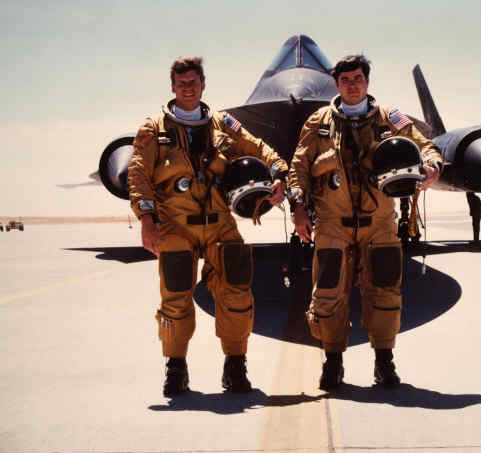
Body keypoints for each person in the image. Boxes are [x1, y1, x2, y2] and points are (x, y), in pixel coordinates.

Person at [128, 57, 288, 396]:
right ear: (173, 86)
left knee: (237, 295)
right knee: (175, 300)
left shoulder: (221, 124)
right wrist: (146, 221)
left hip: (220, 225)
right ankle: (175, 369)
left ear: (203, 84)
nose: (188, 88)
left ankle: (235, 367)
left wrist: (279, 171)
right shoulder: (153, 129)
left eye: (193, 82)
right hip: (175, 226)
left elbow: (256, 146)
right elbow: (139, 175)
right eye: (181, 83)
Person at [287, 55, 443, 390]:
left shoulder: (390, 119)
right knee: (328, 294)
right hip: (332, 225)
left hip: (379, 225)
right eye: (345, 80)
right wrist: (298, 205)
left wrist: (433, 165)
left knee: (385, 293)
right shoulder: (318, 121)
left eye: (358, 78)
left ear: (367, 81)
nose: (352, 85)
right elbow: (299, 166)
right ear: (337, 84)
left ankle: (384, 363)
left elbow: (426, 146)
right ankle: (333, 362)